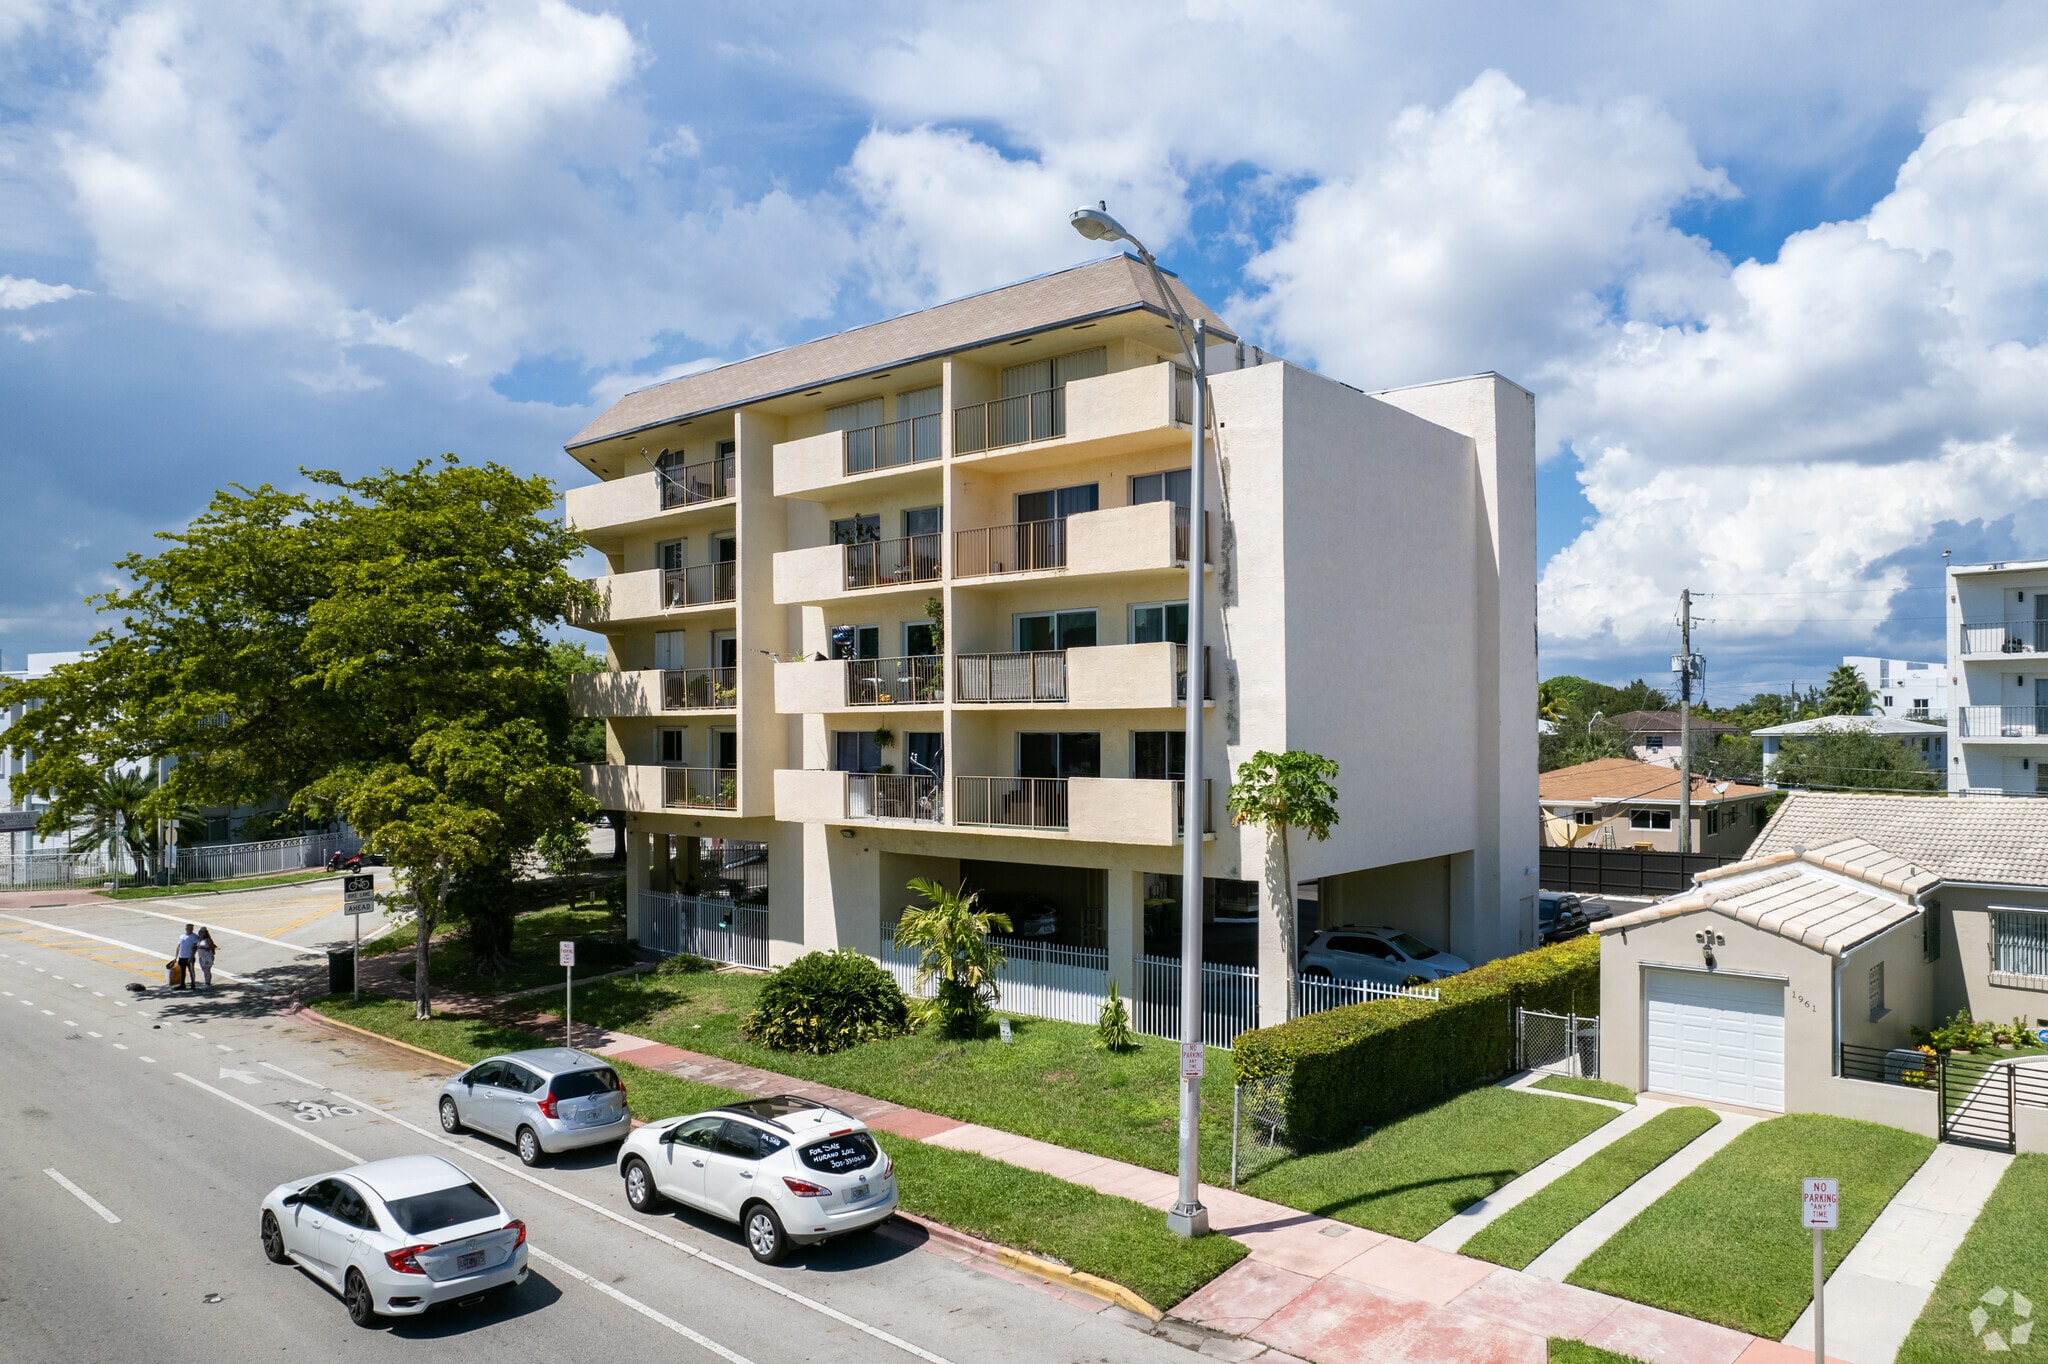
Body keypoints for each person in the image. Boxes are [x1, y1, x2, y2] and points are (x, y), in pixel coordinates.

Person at [174, 924, 200, 990]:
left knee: (191, 971)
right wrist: (176, 956)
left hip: (189, 957)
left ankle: (193, 984)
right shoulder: (182, 936)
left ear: (193, 929)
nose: (189, 929)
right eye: (188, 928)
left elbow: (195, 948)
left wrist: (191, 957)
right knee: (182, 972)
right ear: (186, 928)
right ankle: (182, 984)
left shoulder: (195, 937)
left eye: (191, 928)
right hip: (182, 957)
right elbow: (178, 946)